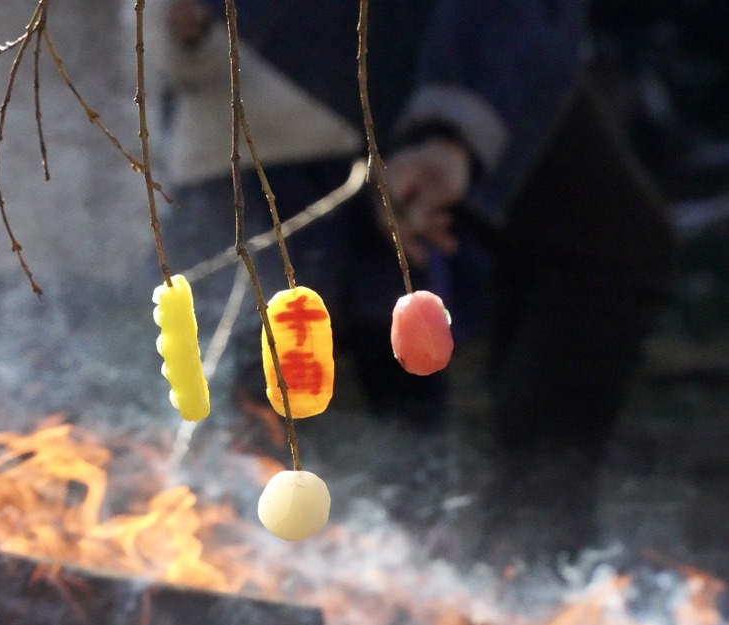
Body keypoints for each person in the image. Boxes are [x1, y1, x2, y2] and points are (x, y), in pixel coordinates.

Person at [148, 0, 679, 565]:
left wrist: (452, 132)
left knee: (597, 251)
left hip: (396, 57)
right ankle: (236, 550)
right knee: (281, 354)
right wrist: (451, 130)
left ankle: (514, 546)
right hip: (298, 81)